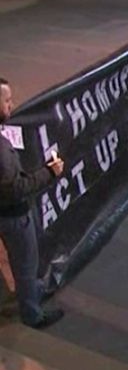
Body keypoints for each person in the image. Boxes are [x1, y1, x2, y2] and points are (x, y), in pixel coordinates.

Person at [0, 78, 65, 329]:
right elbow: (15, 188)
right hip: (13, 216)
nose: (12, 105)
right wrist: (50, 173)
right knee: (26, 264)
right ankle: (32, 314)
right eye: (6, 101)